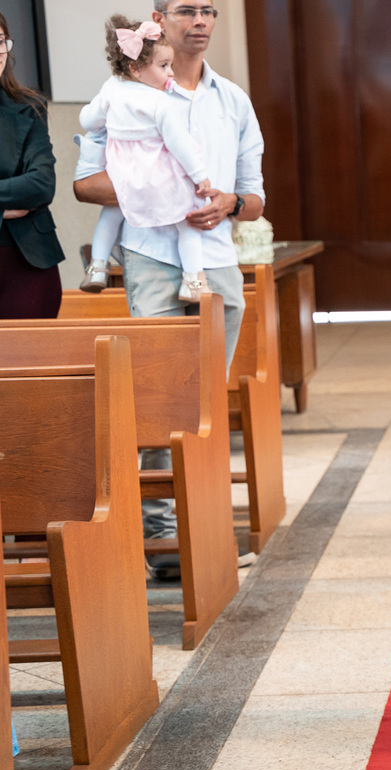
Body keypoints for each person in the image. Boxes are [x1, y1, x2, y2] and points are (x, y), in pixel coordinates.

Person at [74, 0, 265, 579]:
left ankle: (205, 529)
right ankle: (162, 538)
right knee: (159, 400)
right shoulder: (123, 92)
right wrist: (165, 192)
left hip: (217, 262)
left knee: (206, 404)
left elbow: (254, 199)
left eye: (210, 10)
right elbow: (85, 185)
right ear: (160, 17)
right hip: (153, 255)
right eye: (188, 9)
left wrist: (229, 202)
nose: (202, 20)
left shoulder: (232, 99)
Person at [79, 15, 213, 301]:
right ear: (136, 68)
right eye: (164, 66)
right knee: (188, 219)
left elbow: (88, 119)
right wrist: (200, 177)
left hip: (123, 175)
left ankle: (97, 267)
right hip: (158, 175)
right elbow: (181, 146)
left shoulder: (111, 88)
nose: (171, 74)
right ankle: (193, 280)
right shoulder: (161, 103)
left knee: (112, 213)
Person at [0, 11, 64, 319]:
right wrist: (5, 207)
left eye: (0, 42)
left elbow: (41, 185)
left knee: (32, 362)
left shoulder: (29, 106)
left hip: (28, 262)